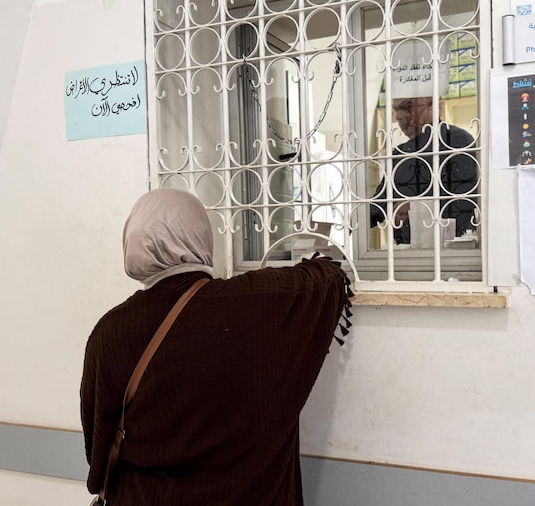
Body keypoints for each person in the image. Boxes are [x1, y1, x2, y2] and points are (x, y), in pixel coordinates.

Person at [81, 188, 353, 506]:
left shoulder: (108, 333)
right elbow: (328, 275)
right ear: (201, 236)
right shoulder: (258, 304)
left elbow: (97, 445)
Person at [369, 96, 477, 244]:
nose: (398, 116)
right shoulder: (399, 154)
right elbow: (379, 205)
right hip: (408, 255)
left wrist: (414, 207)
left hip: (453, 251)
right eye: (396, 110)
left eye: (406, 107)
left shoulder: (457, 141)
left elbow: (465, 200)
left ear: (430, 104)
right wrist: (347, 225)